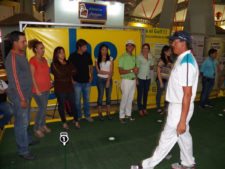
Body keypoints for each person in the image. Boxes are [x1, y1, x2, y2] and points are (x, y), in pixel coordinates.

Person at [133, 31, 199, 169]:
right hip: (178, 105)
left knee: (166, 138)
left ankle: (145, 166)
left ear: (183, 43)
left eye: (175, 42)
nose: (172, 44)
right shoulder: (182, 58)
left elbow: (187, 94)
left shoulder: (186, 63)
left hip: (180, 107)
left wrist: (182, 120)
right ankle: (188, 163)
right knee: (184, 136)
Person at [5, 31, 35, 160]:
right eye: (23, 41)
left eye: (25, 40)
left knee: (25, 121)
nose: (25, 43)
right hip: (19, 97)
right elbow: (15, 80)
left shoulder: (21, 54)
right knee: (21, 124)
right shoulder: (12, 58)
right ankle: (23, 150)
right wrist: (22, 98)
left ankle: (27, 140)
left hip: (26, 94)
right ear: (15, 42)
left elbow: (25, 74)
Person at [51, 47, 80, 129]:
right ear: (56, 54)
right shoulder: (54, 64)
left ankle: (76, 120)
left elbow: (75, 71)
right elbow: (60, 74)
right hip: (60, 88)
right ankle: (64, 122)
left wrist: (68, 73)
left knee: (73, 104)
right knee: (61, 106)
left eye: (63, 52)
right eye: (60, 53)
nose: (62, 54)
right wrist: (69, 73)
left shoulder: (68, 62)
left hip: (70, 87)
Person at [28, 39, 51, 138]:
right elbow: (31, 76)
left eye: (43, 48)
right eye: (41, 48)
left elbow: (46, 73)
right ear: (36, 50)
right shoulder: (32, 61)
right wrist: (36, 89)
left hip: (46, 87)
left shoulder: (44, 59)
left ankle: (43, 125)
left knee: (44, 108)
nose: (43, 50)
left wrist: (50, 82)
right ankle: (36, 128)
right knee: (42, 108)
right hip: (37, 90)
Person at [69, 39, 94, 122]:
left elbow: (90, 66)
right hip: (77, 82)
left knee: (87, 100)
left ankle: (87, 115)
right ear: (79, 47)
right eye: (84, 46)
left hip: (87, 82)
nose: (86, 48)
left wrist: (91, 76)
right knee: (77, 101)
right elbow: (68, 69)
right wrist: (71, 79)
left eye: (86, 46)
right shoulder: (72, 56)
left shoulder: (87, 55)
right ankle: (78, 116)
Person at [118, 40, 138, 124]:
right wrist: (131, 70)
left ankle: (128, 115)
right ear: (126, 47)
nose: (130, 47)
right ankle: (121, 116)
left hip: (133, 80)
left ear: (133, 47)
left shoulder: (134, 57)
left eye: (132, 45)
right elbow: (120, 71)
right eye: (128, 45)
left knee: (130, 99)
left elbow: (136, 70)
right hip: (126, 81)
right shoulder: (122, 57)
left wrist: (136, 76)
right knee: (124, 99)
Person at [95, 44, 114, 120]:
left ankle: (108, 112)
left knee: (108, 97)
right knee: (100, 96)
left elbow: (112, 71)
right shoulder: (97, 59)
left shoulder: (111, 58)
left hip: (108, 79)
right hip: (100, 80)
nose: (104, 51)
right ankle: (100, 113)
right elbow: (98, 71)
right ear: (100, 50)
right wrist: (107, 72)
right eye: (103, 49)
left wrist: (108, 80)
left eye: (106, 50)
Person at [136, 43, 154, 116]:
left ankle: (144, 108)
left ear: (149, 50)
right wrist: (136, 79)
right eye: (144, 48)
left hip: (148, 78)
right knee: (140, 94)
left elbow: (152, 67)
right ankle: (140, 109)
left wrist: (149, 65)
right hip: (140, 78)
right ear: (142, 49)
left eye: (147, 48)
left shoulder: (150, 56)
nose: (145, 50)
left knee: (146, 94)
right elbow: (136, 69)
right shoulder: (138, 57)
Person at [156, 45, 173, 114]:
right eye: (169, 51)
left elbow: (171, 69)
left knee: (167, 94)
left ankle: (166, 108)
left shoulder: (170, 60)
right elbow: (158, 71)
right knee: (159, 94)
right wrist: (161, 82)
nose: (170, 52)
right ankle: (158, 108)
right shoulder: (161, 60)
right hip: (161, 80)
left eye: (170, 51)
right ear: (165, 52)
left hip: (168, 80)